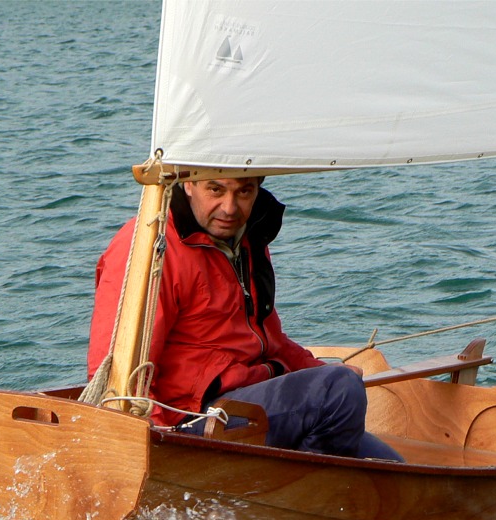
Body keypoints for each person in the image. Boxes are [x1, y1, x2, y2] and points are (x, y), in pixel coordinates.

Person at [88, 177, 402, 461]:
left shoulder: (247, 240)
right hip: (190, 421)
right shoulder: (148, 247)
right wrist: (161, 448)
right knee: (339, 391)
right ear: (187, 184)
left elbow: (270, 341)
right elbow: (114, 373)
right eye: (215, 189)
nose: (229, 207)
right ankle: (297, 499)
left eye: (244, 191)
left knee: (394, 469)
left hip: (251, 402)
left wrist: (320, 372)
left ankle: (301, 496)